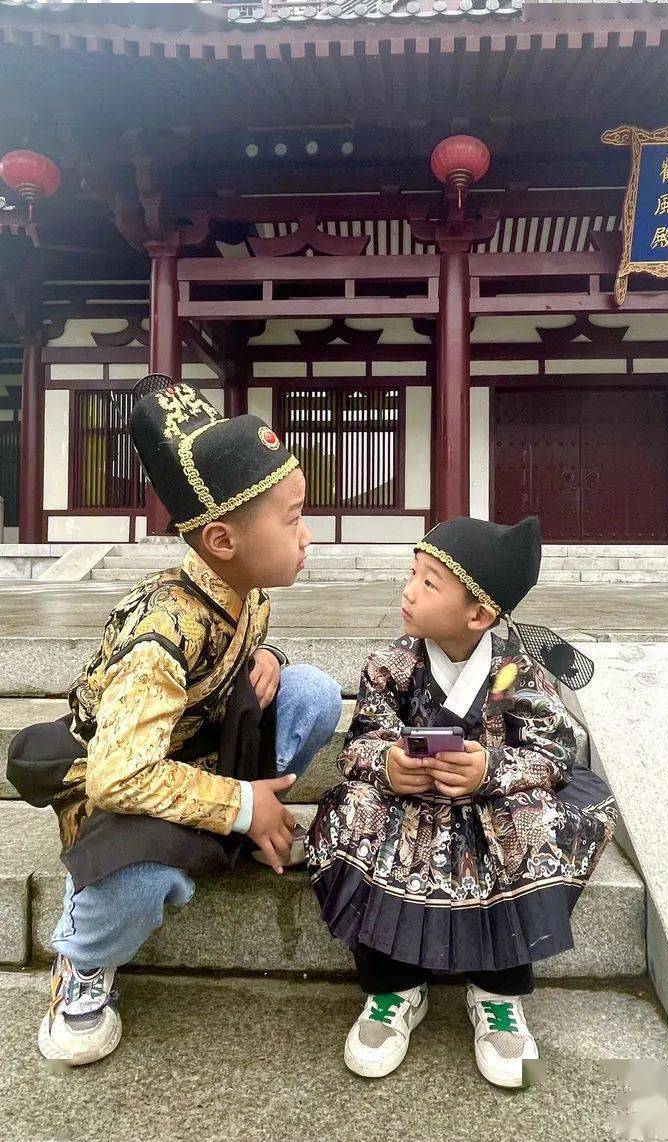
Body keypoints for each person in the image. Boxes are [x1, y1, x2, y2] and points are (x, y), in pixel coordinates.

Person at [8, 374, 342, 1066]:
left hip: (193, 757)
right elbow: (120, 776)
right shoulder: (161, 630)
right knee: (139, 880)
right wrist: (240, 801)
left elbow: (236, 663)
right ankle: (83, 955)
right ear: (222, 539)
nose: (308, 535)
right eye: (292, 519)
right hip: (123, 787)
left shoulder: (246, 594)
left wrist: (269, 656)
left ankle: (239, 834)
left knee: (312, 692)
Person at [305, 515, 618, 1088]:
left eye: (429, 583)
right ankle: (393, 986)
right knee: (356, 809)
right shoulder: (391, 665)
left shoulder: (512, 672)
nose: (408, 591)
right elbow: (360, 743)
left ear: (479, 614)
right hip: (409, 803)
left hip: (488, 808)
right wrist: (388, 764)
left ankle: (498, 992)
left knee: (531, 820)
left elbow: (554, 752)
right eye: (412, 574)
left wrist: (490, 770)